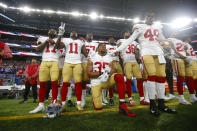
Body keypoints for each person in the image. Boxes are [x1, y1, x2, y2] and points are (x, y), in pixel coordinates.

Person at [110, 12, 176, 116]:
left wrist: (167, 43)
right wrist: (116, 50)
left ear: (154, 18)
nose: (150, 18)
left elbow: (162, 39)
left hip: (159, 52)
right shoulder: (139, 27)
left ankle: (161, 103)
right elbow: (129, 40)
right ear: (145, 18)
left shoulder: (158, 26)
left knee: (162, 76)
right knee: (152, 75)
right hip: (146, 52)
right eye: (148, 17)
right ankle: (152, 105)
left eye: (152, 17)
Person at [87, 42, 136, 117]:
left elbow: (113, 69)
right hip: (96, 82)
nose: (103, 47)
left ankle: (122, 105)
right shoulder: (92, 57)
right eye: (101, 46)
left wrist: (108, 74)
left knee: (119, 76)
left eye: (104, 46)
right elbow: (89, 73)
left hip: (107, 80)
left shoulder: (109, 57)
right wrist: (101, 73)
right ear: (97, 48)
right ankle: (96, 100)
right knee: (98, 107)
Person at [55, 23, 88, 111]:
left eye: (75, 32)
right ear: (69, 34)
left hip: (77, 63)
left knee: (78, 83)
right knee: (65, 83)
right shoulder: (66, 40)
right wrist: (60, 34)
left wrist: (85, 46)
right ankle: (63, 104)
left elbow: (86, 54)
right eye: (72, 32)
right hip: (67, 63)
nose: (73, 32)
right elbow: (57, 46)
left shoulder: (81, 42)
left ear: (77, 35)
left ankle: (78, 103)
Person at [29, 29, 60, 114]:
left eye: (54, 31)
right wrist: (46, 42)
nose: (52, 31)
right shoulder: (42, 38)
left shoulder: (59, 39)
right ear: (48, 32)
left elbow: (59, 46)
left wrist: (58, 38)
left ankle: (54, 103)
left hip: (54, 61)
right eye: (51, 30)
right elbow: (38, 49)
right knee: (42, 84)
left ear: (56, 33)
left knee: (54, 83)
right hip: (44, 61)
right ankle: (41, 105)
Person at [118, 31, 149, 106]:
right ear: (123, 34)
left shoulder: (134, 42)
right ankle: (130, 99)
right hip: (126, 61)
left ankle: (142, 99)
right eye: (126, 32)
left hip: (135, 61)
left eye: (129, 32)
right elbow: (118, 51)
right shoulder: (120, 41)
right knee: (128, 79)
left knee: (140, 79)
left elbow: (137, 51)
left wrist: (138, 56)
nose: (127, 33)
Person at [168, 34, 197, 104]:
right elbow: (171, 49)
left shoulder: (181, 42)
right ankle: (181, 98)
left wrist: (186, 53)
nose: (176, 33)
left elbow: (186, 52)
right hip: (177, 58)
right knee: (180, 77)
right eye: (174, 32)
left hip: (185, 59)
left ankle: (192, 96)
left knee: (189, 77)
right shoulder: (169, 39)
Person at [81, 33, 98, 107]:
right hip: (84, 62)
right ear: (86, 37)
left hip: (93, 63)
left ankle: (95, 99)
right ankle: (83, 99)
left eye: (91, 36)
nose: (90, 37)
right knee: (84, 81)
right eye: (88, 36)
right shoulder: (82, 43)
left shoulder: (96, 44)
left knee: (95, 80)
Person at [106, 37, 123, 106]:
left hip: (118, 63)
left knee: (121, 80)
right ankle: (111, 98)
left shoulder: (117, 46)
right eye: (110, 39)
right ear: (108, 41)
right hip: (111, 63)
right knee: (110, 81)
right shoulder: (106, 46)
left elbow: (119, 56)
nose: (112, 40)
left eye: (113, 39)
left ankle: (122, 99)